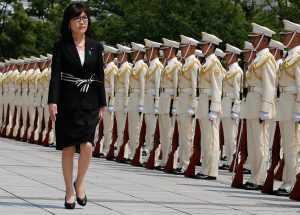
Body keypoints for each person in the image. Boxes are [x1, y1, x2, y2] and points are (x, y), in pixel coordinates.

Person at [48, 3, 106, 209]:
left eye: (85, 18)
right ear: (68, 23)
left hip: (90, 102)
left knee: (88, 146)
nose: (82, 22)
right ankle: (69, 191)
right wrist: (52, 101)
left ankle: (79, 182)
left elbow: (100, 76)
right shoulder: (61, 46)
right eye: (77, 18)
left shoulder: (96, 46)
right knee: (69, 148)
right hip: (67, 103)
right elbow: (55, 76)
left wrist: (102, 103)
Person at [243, 23, 276, 190]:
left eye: (255, 38)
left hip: (260, 105)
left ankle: (260, 178)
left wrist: (265, 107)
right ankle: (254, 176)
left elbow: (270, 85)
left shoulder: (268, 59)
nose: (253, 41)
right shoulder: (257, 58)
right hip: (251, 103)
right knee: (253, 145)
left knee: (260, 144)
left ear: (264, 40)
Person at [275, 19, 300, 196]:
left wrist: (299, 108)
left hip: (292, 105)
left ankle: (292, 183)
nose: (283, 38)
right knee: (287, 146)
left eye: (286, 35)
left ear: (296, 36)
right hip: (284, 104)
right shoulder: (289, 56)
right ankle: (287, 181)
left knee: (292, 146)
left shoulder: (298, 56)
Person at [196, 32, 224, 180]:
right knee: (205, 139)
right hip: (203, 102)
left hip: (209, 104)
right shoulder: (206, 63)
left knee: (211, 139)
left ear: (211, 46)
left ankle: (211, 171)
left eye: (204, 45)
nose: (202, 47)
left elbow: (217, 88)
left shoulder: (214, 64)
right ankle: (205, 168)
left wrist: (214, 107)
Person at [173, 35, 200, 175]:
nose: (181, 50)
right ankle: (182, 162)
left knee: (187, 136)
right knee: (182, 136)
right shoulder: (185, 63)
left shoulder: (194, 64)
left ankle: (186, 164)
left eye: (183, 47)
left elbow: (196, 86)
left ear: (191, 48)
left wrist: (193, 105)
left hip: (188, 103)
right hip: (182, 103)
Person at [220, 44, 243, 170]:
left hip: (231, 106)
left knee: (232, 136)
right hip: (225, 104)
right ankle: (229, 160)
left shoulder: (237, 72)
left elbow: (238, 92)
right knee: (227, 136)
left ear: (234, 56)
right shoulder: (230, 70)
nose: (226, 57)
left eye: (228, 55)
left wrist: (236, 109)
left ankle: (234, 161)